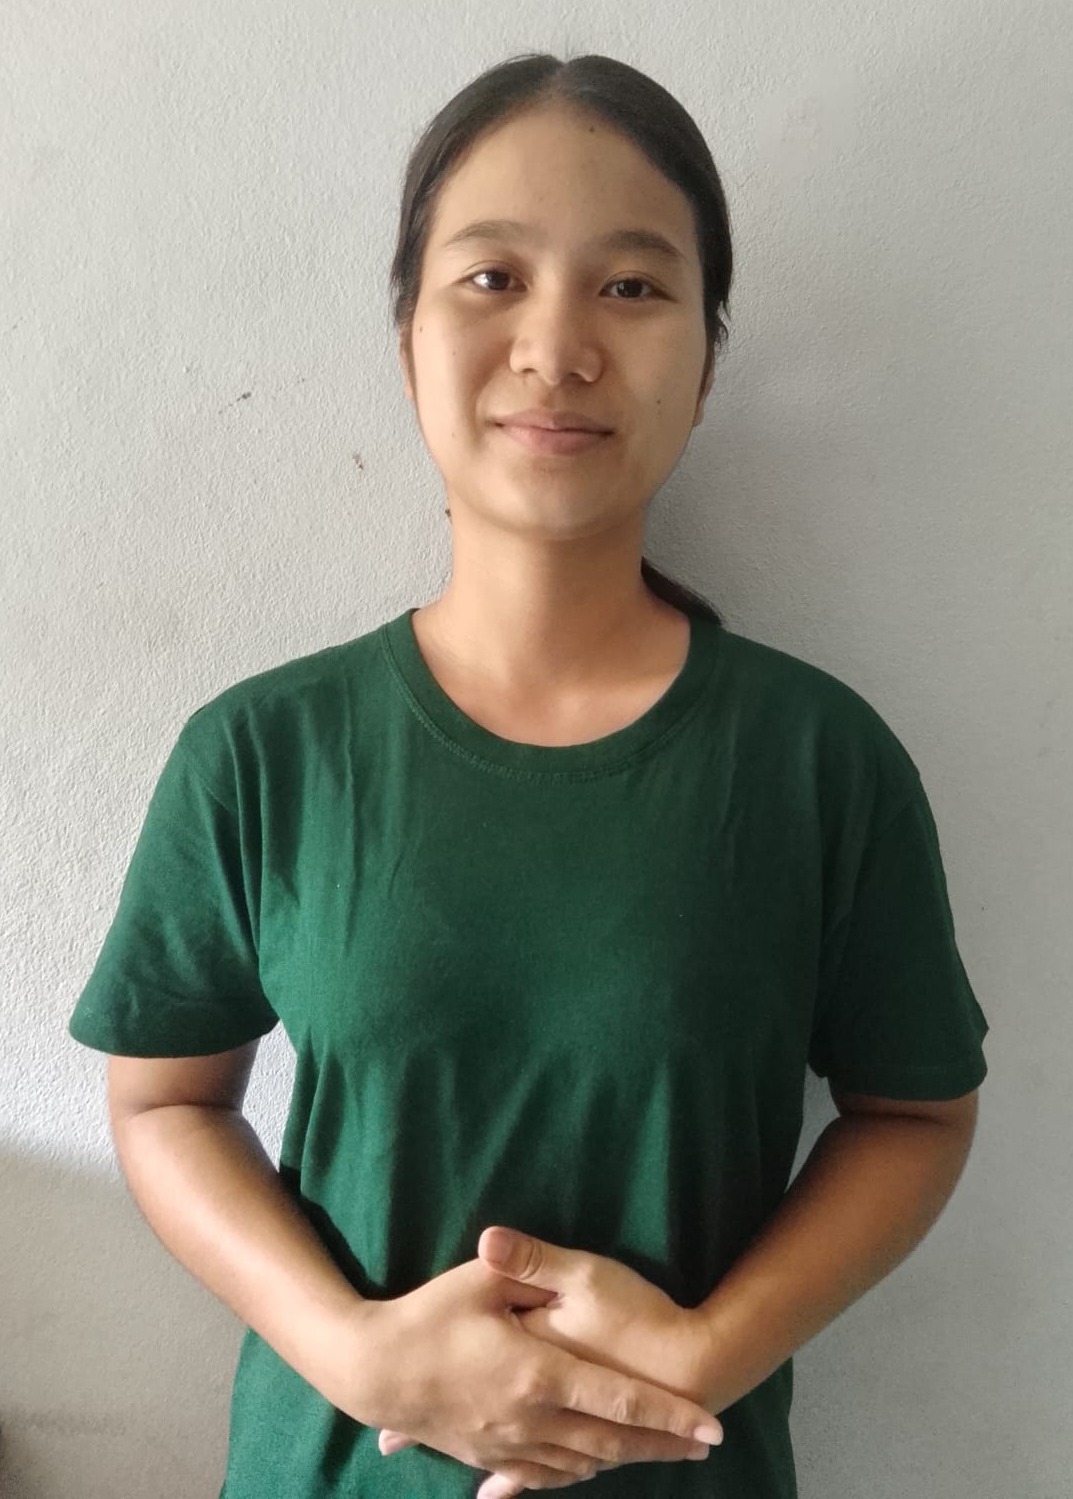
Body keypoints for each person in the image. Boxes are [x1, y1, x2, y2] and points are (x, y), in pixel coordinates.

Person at [68, 52, 990, 1499]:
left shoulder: (821, 763)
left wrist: (703, 1354)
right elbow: (163, 1100)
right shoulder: (262, 753)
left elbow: (914, 1113)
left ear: (705, 362)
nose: (556, 347)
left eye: (631, 286)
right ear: (408, 342)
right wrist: (355, 1351)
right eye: (492, 278)